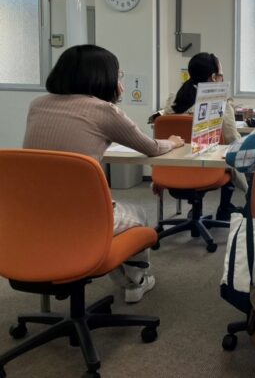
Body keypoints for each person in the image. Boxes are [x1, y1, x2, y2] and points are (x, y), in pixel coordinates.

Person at [23, 45, 184, 303]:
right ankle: (134, 282)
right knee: (139, 213)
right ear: (104, 77)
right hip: (84, 219)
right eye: (118, 75)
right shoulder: (103, 110)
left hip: (34, 217)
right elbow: (151, 148)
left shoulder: (37, 105)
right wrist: (173, 142)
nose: (120, 81)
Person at [161, 52, 245, 219]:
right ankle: (224, 209)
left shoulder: (173, 101)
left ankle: (198, 212)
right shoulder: (220, 103)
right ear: (213, 78)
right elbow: (233, 141)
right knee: (231, 156)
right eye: (221, 75)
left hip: (171, 169)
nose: (222, 79)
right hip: (207, 170)